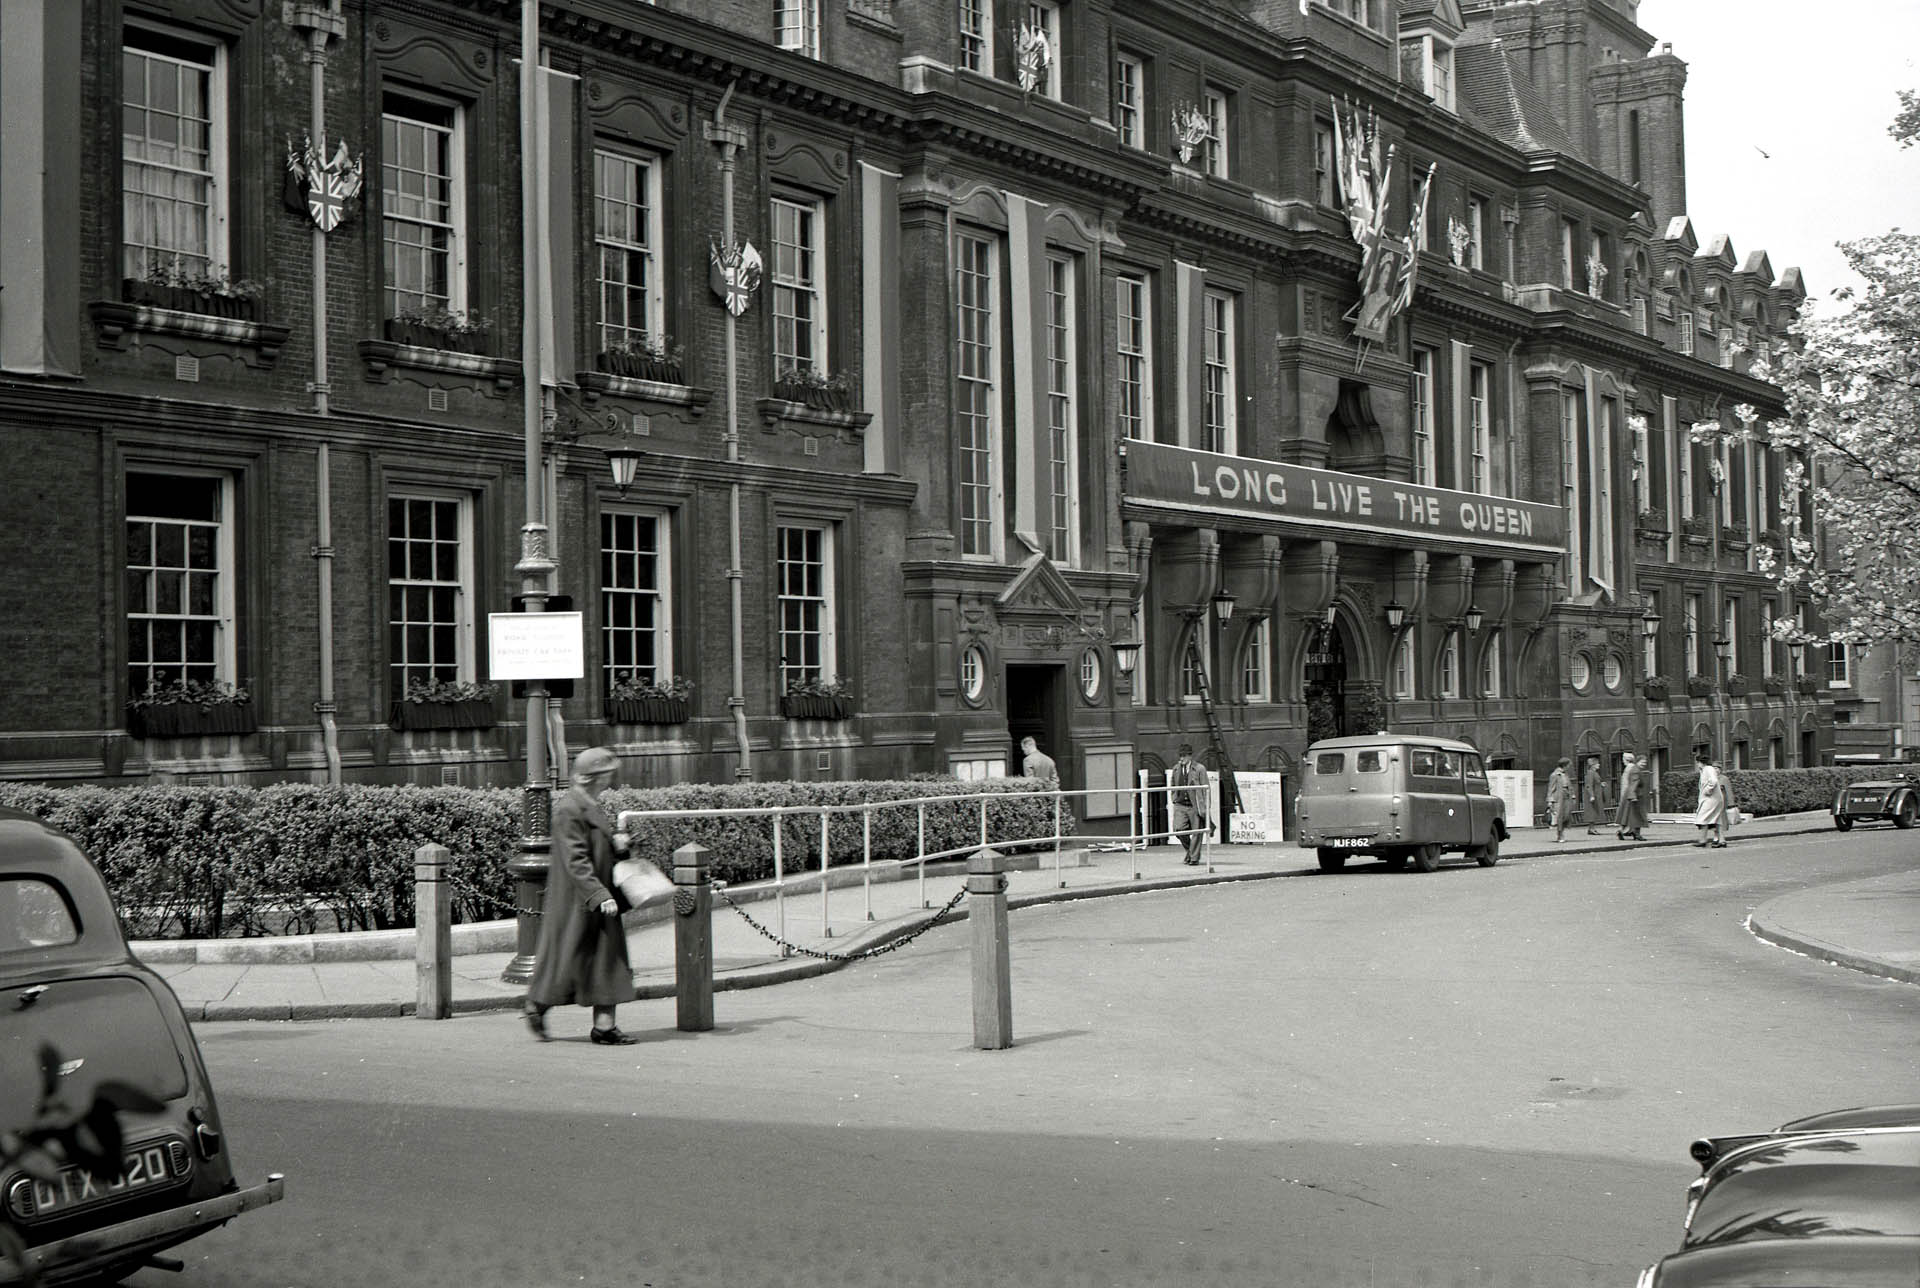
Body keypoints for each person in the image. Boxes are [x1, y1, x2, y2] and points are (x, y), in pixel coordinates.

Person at [524, 746, 639, 1045]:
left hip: (597, 897)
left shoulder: (588, 803)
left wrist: (619, 846)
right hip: (580, 900)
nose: (611, 778)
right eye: (606, 774)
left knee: (606, 959)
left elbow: (593, 851)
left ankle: (604, 1026)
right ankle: (536, 1005)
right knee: (570, 960)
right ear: (593, 777)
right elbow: (575, 859)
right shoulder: (569, 808)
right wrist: (599, 894)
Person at [1168, 743, 1211, 865]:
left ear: (1190, 756)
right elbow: (1173, 784)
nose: (1181, 758)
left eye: (1184, 756)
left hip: (1195, 805)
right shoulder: (1176, 769)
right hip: (1181, 804)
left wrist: (1205, 806)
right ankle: (1190, 852)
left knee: (1197, 832)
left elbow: (1206, 788)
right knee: (1178, 829)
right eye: (1180, 755)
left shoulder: (1199, 769)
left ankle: (1194, 858)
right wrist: (1174, 798)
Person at [1692, 747, 1729, 848]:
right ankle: (1722, 840)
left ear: (1700, 762)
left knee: (1702, 817)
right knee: (1716, 819)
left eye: (1698, 762)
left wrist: (1708, 790)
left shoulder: (1708, 769)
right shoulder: (1705, 770)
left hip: (1711, 799)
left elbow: (1713, 781)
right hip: (1714, 798)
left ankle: (1703, 840)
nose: (1697, 764)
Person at [1616, 755, 1650, 841]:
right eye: (1642, 762)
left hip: (1630, 795)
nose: (1644, 764)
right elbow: (1633, 784)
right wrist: (1633, 796)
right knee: (1638, 815)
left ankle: (1621, 830)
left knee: (1627, 815)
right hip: (1635, 795)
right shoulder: (1636, 771)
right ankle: (1637, 834)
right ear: (1637, 761)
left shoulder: (1634, 769)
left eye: (1645, 762)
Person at [1546, 757, 1573, 842]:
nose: (1569, 767)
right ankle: (1560, 835)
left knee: (1566, 816)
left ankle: (1562, 832)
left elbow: (1569, 786)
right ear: (1565, 765)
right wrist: (1550, 801)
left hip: (1566, 797)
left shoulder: (1565, 774)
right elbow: (1551, 788)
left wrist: (1573, 795)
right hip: (1558, 798)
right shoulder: (1555, 775)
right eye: (1568, 765)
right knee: (1559, 817)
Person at [1582, 757, 1606, 835]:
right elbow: (1589, 785)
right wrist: (1591, 795)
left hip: (1597, 794)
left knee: (1594, 811)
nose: (1599, 765)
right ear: (1593, 765)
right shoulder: (1590, 773)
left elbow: (1595, 783)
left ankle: (1592, 828)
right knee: (1592, 811)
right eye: (1597, 763)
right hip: (1593, 795)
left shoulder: (1594, 773)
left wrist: (1601, 784)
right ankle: (1591, 828)